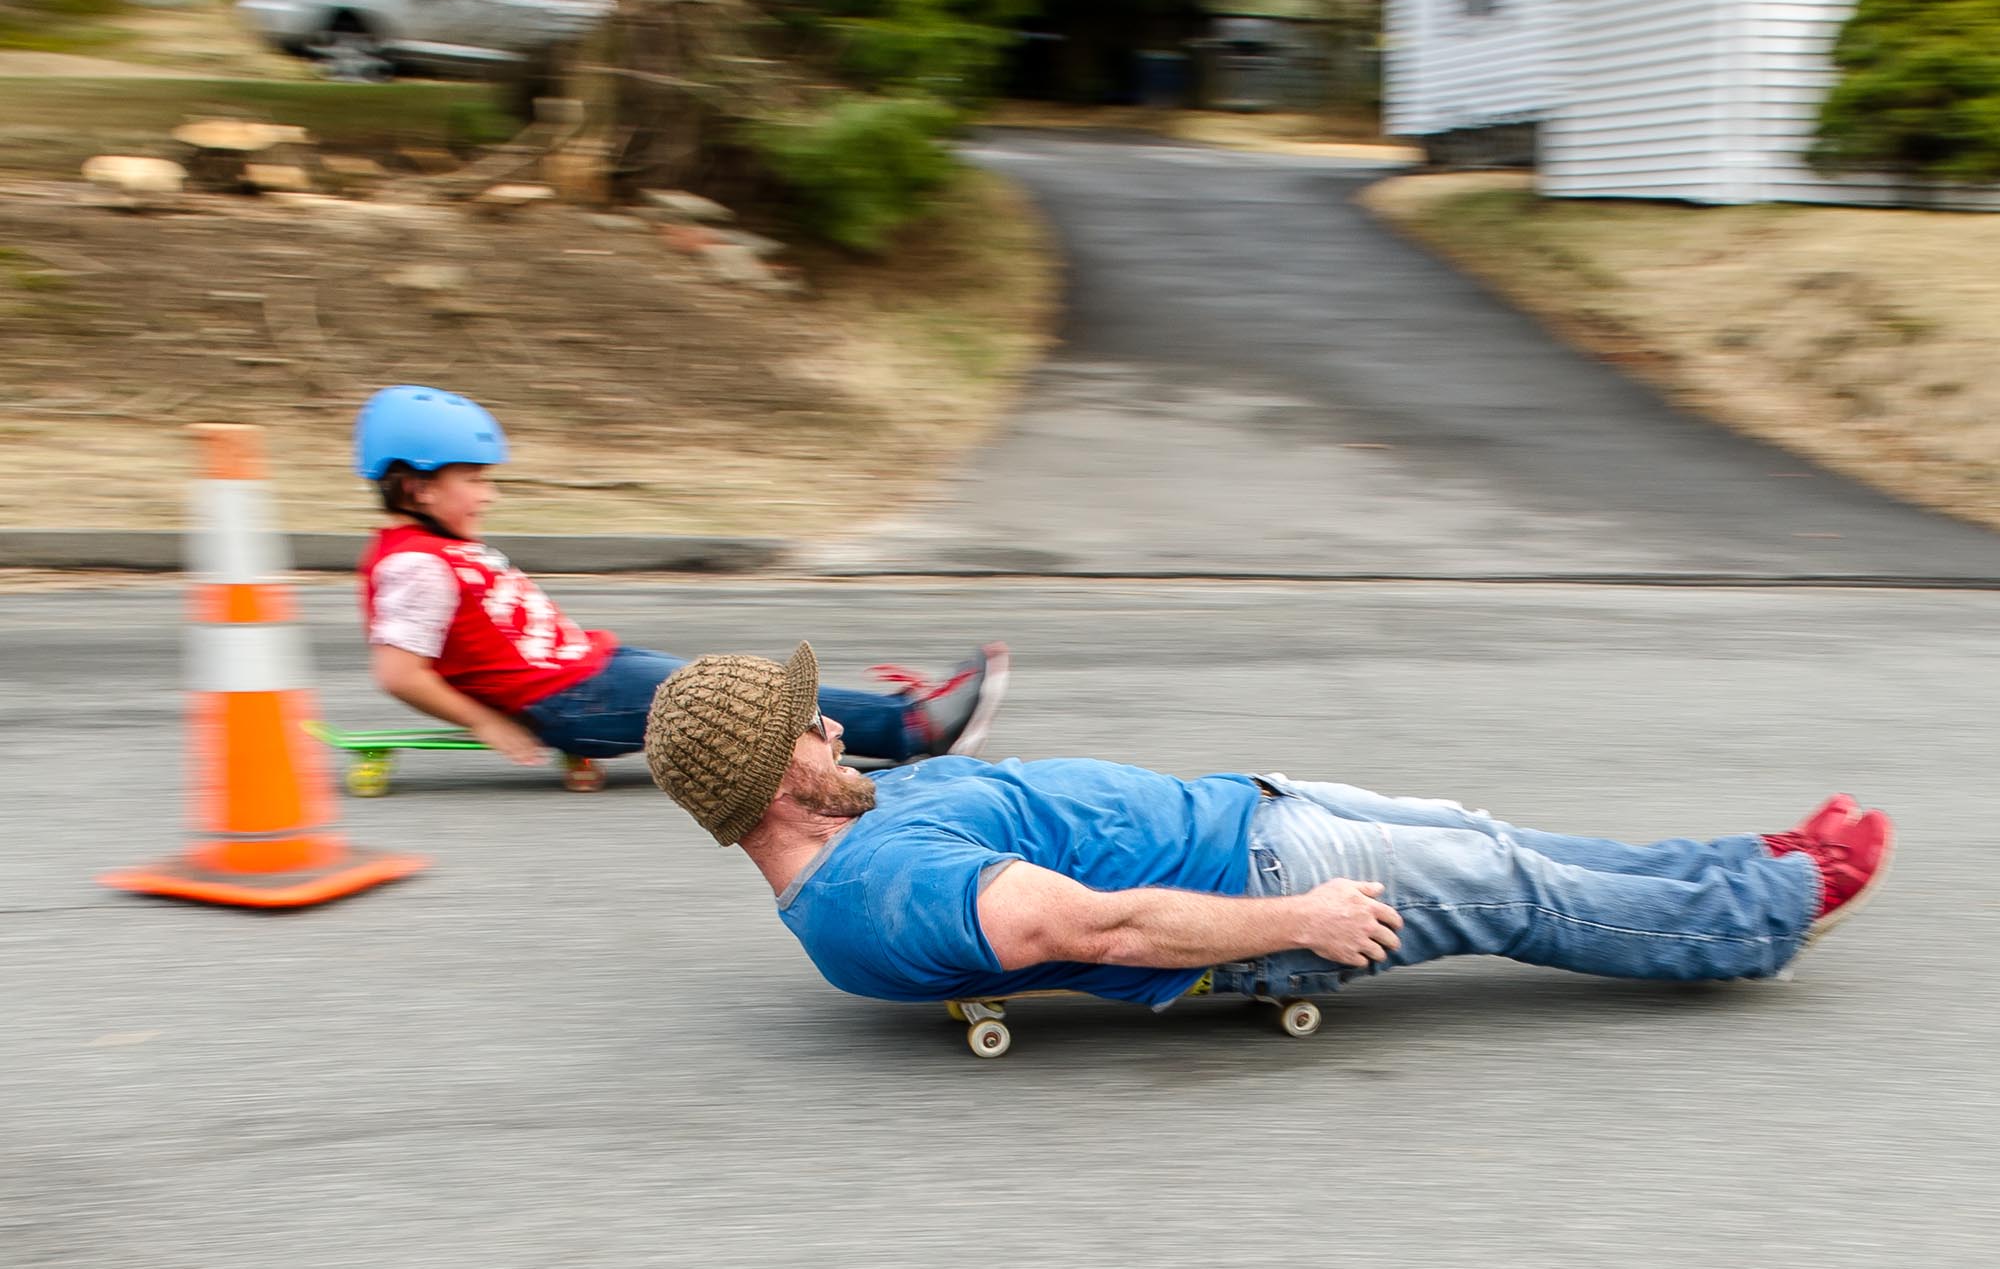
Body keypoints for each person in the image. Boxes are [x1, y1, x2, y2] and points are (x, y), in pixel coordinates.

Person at [643, 642, 1894, 1012]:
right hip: (1265, 877)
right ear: (772, 786)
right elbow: (1096, 923)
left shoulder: (853, 816)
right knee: (1511, 889)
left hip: (1250, 814)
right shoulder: (879, 891)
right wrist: (1299, 919)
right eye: (805, 727)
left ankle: (1748, 865)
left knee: (1500, 843)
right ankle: (1767, 915)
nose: (827, 726)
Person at [352, 385, 1006, 771]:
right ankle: (913, 729)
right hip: (572, 699)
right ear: (413, 484)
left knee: (740, 686)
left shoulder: (436, 546)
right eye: (472, 479)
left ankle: (897, 721)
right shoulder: (414, 564)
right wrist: (489, 723)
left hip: (589, 673)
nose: (487, 494)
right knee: (745, 699)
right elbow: (399, 671)